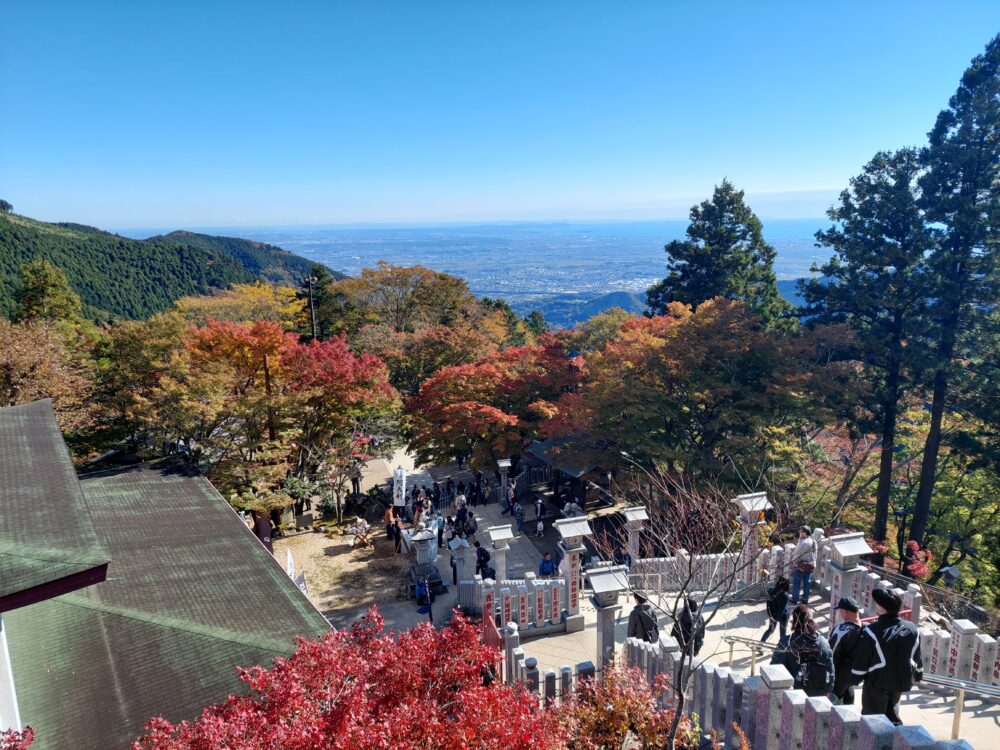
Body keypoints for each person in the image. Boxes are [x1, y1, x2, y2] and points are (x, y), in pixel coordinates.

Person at [850, 588, 922, 725]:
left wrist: (854, 678)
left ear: (880, 607)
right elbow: (916, 655)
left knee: (872, 719)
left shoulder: (872, 631)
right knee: (892, 713)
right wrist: (918, 674)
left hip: (876, 682)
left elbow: (862, 659)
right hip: (900, 682)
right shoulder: (912, 629)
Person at [772, 603, 834, 698]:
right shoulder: (824, 643)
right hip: (819, 694)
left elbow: (774, 668)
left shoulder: (786, 642)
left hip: (794, 694)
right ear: (812, 621)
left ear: (794, 621)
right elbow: (831, 670)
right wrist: (828, 690)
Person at [829, 596, 863, 705]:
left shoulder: (840, 630)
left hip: (839, 674)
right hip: (856, 674)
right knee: (849, 698)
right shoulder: (867, 629)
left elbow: (831, 654)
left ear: (844, 612)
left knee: (833, 702)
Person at [789, 525, 817, 604]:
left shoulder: (803, 542)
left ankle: (795, 599)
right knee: (807, 583)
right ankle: (805, 599)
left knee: (797, 582)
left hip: (801, 565)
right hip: (809, 565)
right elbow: (815, 554)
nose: (799, 533)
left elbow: (796, 554)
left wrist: (793, 563)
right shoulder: (813, 541)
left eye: (801, 531)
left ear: (804, 533)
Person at [761, 576, 790, 645]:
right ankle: (781, 648)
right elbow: (781, 610)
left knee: (770, 630)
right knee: (783, 634)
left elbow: (768, 605)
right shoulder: (785, 595)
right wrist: (776, 619)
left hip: (772, 614)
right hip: (783, 616)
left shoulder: (770, 590)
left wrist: (771, 616)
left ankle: (760, 644)